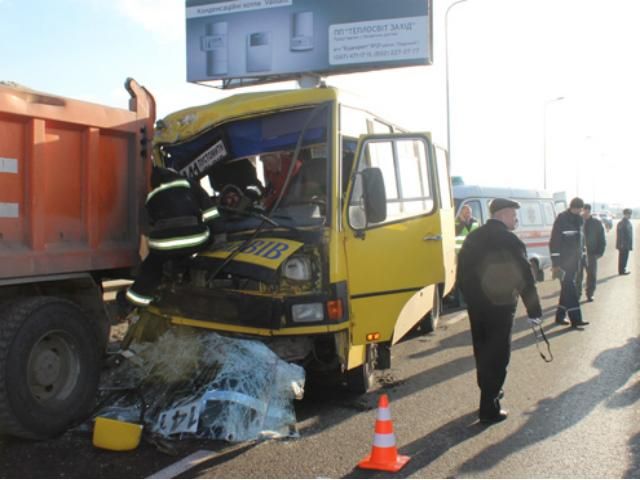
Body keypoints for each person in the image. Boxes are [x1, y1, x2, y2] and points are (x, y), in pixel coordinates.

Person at [457, 198, 542, 423]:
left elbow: (462, 273)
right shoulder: (510, 239)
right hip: (502, 307)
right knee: (499, 355)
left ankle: (489, 392)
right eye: (514, 215)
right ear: (503, 214)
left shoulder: (473, 237)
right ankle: (489, 407)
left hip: (477, 307)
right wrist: (534, 311)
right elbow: (525, 277)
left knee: (482, 351)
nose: (516, 219)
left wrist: (471, 300)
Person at [549, 197, 589, 328]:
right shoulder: (562, 219)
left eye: (581, 210)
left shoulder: (580, 220)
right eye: (578, 209)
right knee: (570, 290)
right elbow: (554, 242)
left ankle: (559, 317)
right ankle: (576, 320)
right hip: (563, 263)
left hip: (575, 262)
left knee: (566, 289)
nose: (579, 212)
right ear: (573, 207)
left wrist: (583, 258)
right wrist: (555, 264)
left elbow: (581, 241)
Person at [577, 204, 606, 301]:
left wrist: (600, 252)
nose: (583, 213)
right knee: (578, 275)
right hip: (578, 254)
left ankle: (590, 293)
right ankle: (577, 294)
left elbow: (602, 238)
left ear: (589, 211)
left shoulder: (596, 223)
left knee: (592, 275)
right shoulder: (577, 222)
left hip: (592, 253)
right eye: (582, 211)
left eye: (585, 211)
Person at [616, 208, 633, 275]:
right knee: (623, 258)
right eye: (629, 214)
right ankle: (622, 271)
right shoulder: (622, 223)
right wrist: (622, 244)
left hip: (626, 244)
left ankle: (622, 270)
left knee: (624, 258)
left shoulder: (627, 222)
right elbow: (621, 235)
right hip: (623, 244)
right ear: (625, 214)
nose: (630, 216)